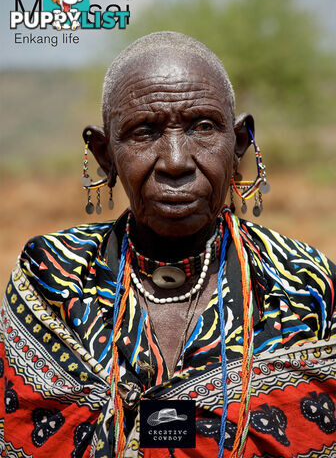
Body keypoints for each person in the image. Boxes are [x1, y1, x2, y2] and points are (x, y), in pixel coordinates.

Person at [0, 32, 335, 458]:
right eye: (144, 132)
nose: (176, 161)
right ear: (104, 155)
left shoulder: (304, 284)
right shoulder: (53, 274)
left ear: (239, 144)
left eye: (202, 127)